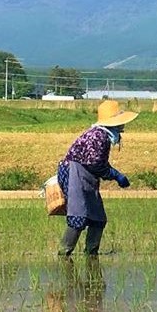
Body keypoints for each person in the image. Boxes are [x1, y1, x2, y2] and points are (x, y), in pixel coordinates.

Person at [56, 99, 138, 256]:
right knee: (78, 216)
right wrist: (115, 175)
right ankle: (64, 254)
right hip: (75, 173)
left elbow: (96, 164)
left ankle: (91, 254)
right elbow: (95, 164)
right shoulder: (98, 136)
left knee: (98, 218)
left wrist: (112, 173)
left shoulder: (104, 136)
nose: (123, 125)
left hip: (86, 176)